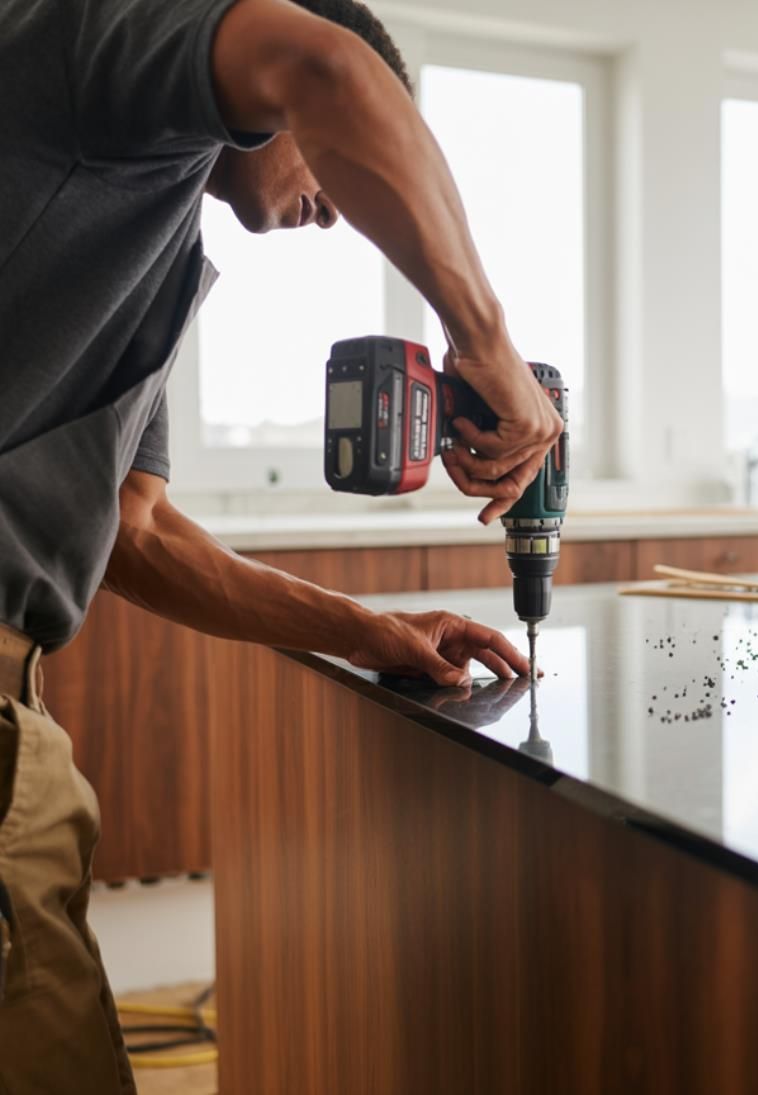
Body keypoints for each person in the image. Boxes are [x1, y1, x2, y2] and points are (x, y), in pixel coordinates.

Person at [0, 0, 563, 1089]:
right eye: (342, 161)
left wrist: (373, 629)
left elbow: (136, 531)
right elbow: (323, 65)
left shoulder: (153, 265)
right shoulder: (86, 39)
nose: (336, 211)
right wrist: (485, 347)